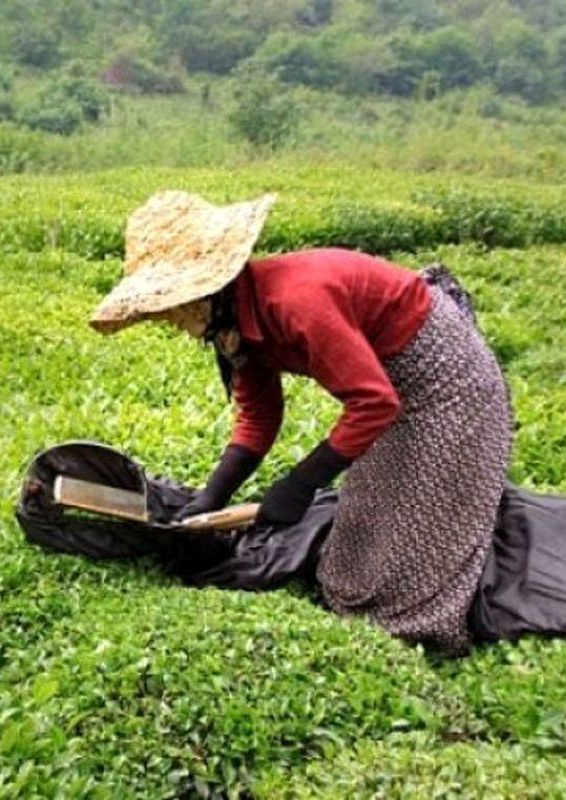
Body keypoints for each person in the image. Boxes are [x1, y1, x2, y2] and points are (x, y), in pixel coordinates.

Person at [89, 191, 513, 654]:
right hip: (386, 381)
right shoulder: (232, 322)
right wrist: (214, 495)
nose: (167, 320)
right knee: (360, 536)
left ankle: (429, 624)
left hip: (445, 379)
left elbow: (372, 402)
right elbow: (259, 416)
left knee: (408, 558)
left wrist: (300, 483)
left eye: (171, 307)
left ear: (205, 291)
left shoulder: (296, 302)